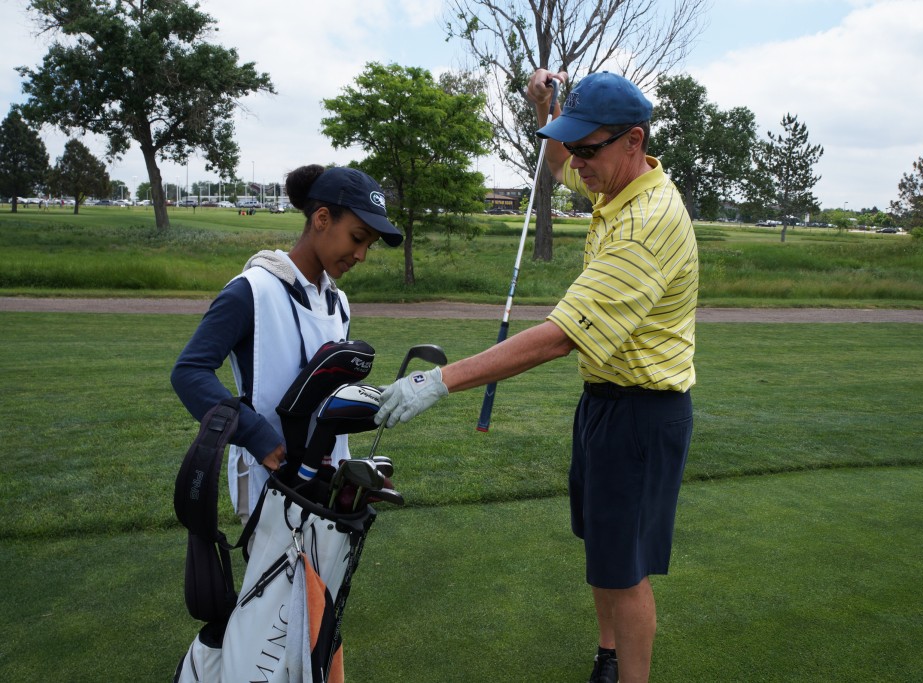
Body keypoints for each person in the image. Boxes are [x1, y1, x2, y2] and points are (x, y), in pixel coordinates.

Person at [374, 69, 698, 683]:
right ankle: (608, 653)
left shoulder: (645, 224)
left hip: (643, 412)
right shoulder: (617, 182)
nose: (577, 162)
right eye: (573, 145)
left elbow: (557, 336)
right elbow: (555, 169)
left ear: (634, 140)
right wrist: (550, 111)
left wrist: (437, 383)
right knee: (603, 551)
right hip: (606, 401)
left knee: (625, 568)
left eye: (588, 148)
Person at [172, 165, 403, 522]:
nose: (361, 255)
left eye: (368, 245)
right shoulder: (251, 290)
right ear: (322, 219)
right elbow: (189, 373)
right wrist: (254, 434)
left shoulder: (338, 303)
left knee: (323, 579)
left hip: (327, 481)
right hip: (270, 481)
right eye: (357, 238)